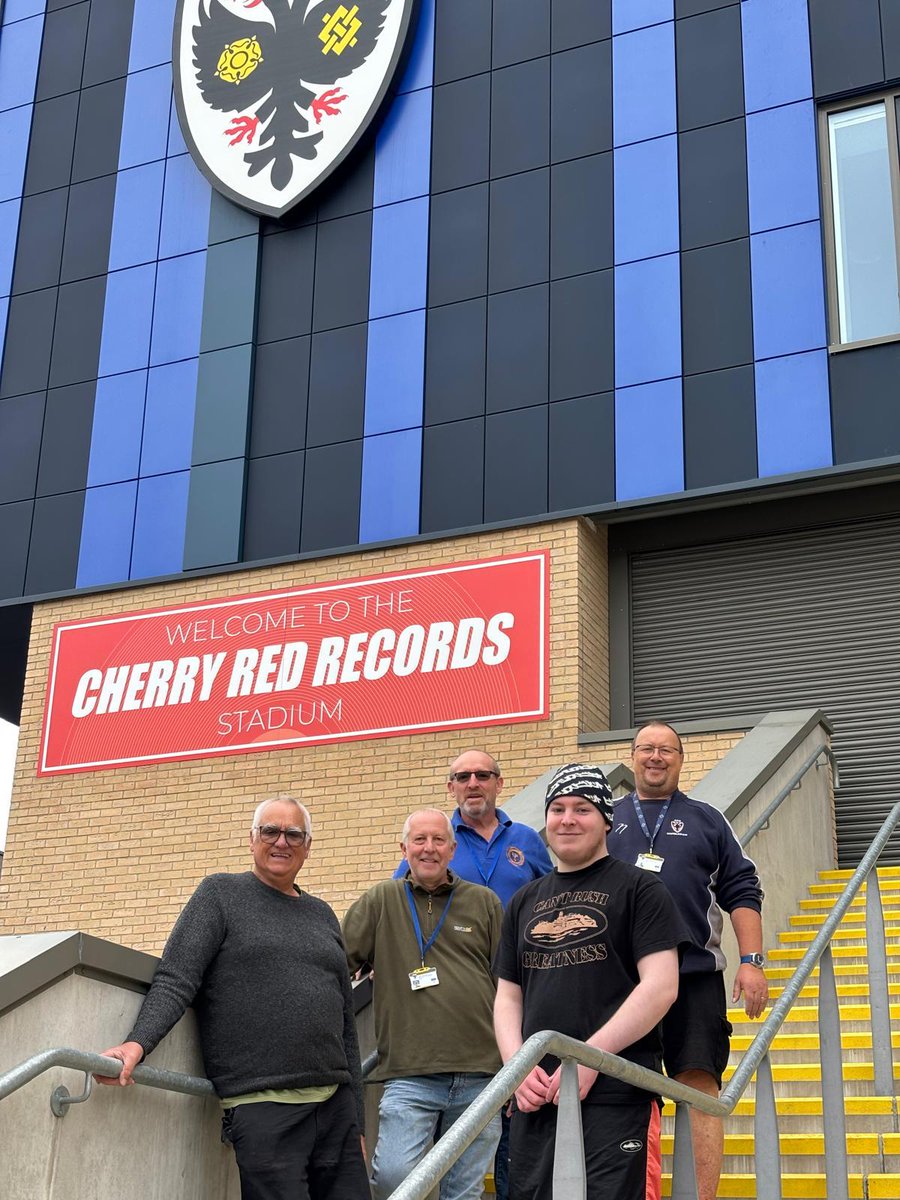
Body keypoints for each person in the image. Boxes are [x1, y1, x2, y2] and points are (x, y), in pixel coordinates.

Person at [96, 795, 369, 1200]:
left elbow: (346, 1022)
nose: (281, 842)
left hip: (335, 1108)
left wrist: (357, 1123)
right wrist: (137, 1043)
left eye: (294, 834)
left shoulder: (323, 914)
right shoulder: (220, 894)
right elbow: (176, 978)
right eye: (270, 831)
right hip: (262, 1108)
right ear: (252, 838)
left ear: (308, 846)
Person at [494, 764, 683, 1200]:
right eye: (557, 809)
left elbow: (661, 986)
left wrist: (591, 1058)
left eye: (582, 809)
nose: (568, 819)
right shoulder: (523, 901)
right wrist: (516, 1069)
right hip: (537, 1096)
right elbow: (507, 997)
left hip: (617, 1093)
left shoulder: (641, 889)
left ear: (606, 820)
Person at [606, 721, 769, 1200]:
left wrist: (752, 960)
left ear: (681, 760)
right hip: (619, 980)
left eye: (667, 750)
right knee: (620, 1089)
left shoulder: (707, 820)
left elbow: (742, 889)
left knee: (699, 1085)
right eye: (646, 748)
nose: (656, 757)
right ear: (632, 757)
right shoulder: (605, 818)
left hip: (693, 975)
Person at [392, 748, 553, 1199]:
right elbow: (398, 906)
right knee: (464, 1133)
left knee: (516, 1123)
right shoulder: (435, 841)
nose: (473, 783)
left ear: (499, 783)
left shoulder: (526, 839)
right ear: (451, 787)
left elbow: (552, 898)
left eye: (483, 775)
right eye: (463, 777)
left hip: (522, 991)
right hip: (457, 1007)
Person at [343, 808, 503, 1200]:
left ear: (452, 850)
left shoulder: (484, 902)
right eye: (419, 840)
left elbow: (509, 985)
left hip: (481, 1073)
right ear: (404, 849)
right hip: (410, 1073)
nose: (429, 848)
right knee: (394, 1179)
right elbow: (335, 965)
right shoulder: (380, 900)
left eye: (438, 840)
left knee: (463, 1192)